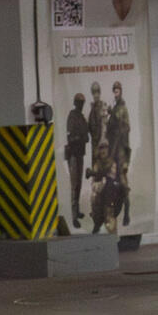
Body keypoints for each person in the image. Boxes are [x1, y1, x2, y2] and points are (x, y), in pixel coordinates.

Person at [107, 81, 132, 227]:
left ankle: (127, 213)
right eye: (114, 91)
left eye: (117, 91)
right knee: (112, 182)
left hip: (121, 150)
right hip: (113, 150)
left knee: (123, 183)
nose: (115, 93)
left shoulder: (122, 108)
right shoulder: (116, 107)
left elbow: (126, 127)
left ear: (120, 92)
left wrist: (114, 116)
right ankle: (114, 214)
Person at [64, 92, 89, 228]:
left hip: (79, 153)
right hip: (73, 154)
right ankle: (74, 216)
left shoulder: (81, 117)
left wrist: (82, 137)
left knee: (78, 183)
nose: (81, 104)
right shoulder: (72, 116)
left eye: (82, 102)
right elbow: (70, 137)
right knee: (74, 185)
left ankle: (77, 211)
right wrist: (81, 138)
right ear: (75, 103)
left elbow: (86, 135)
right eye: (79, 102)